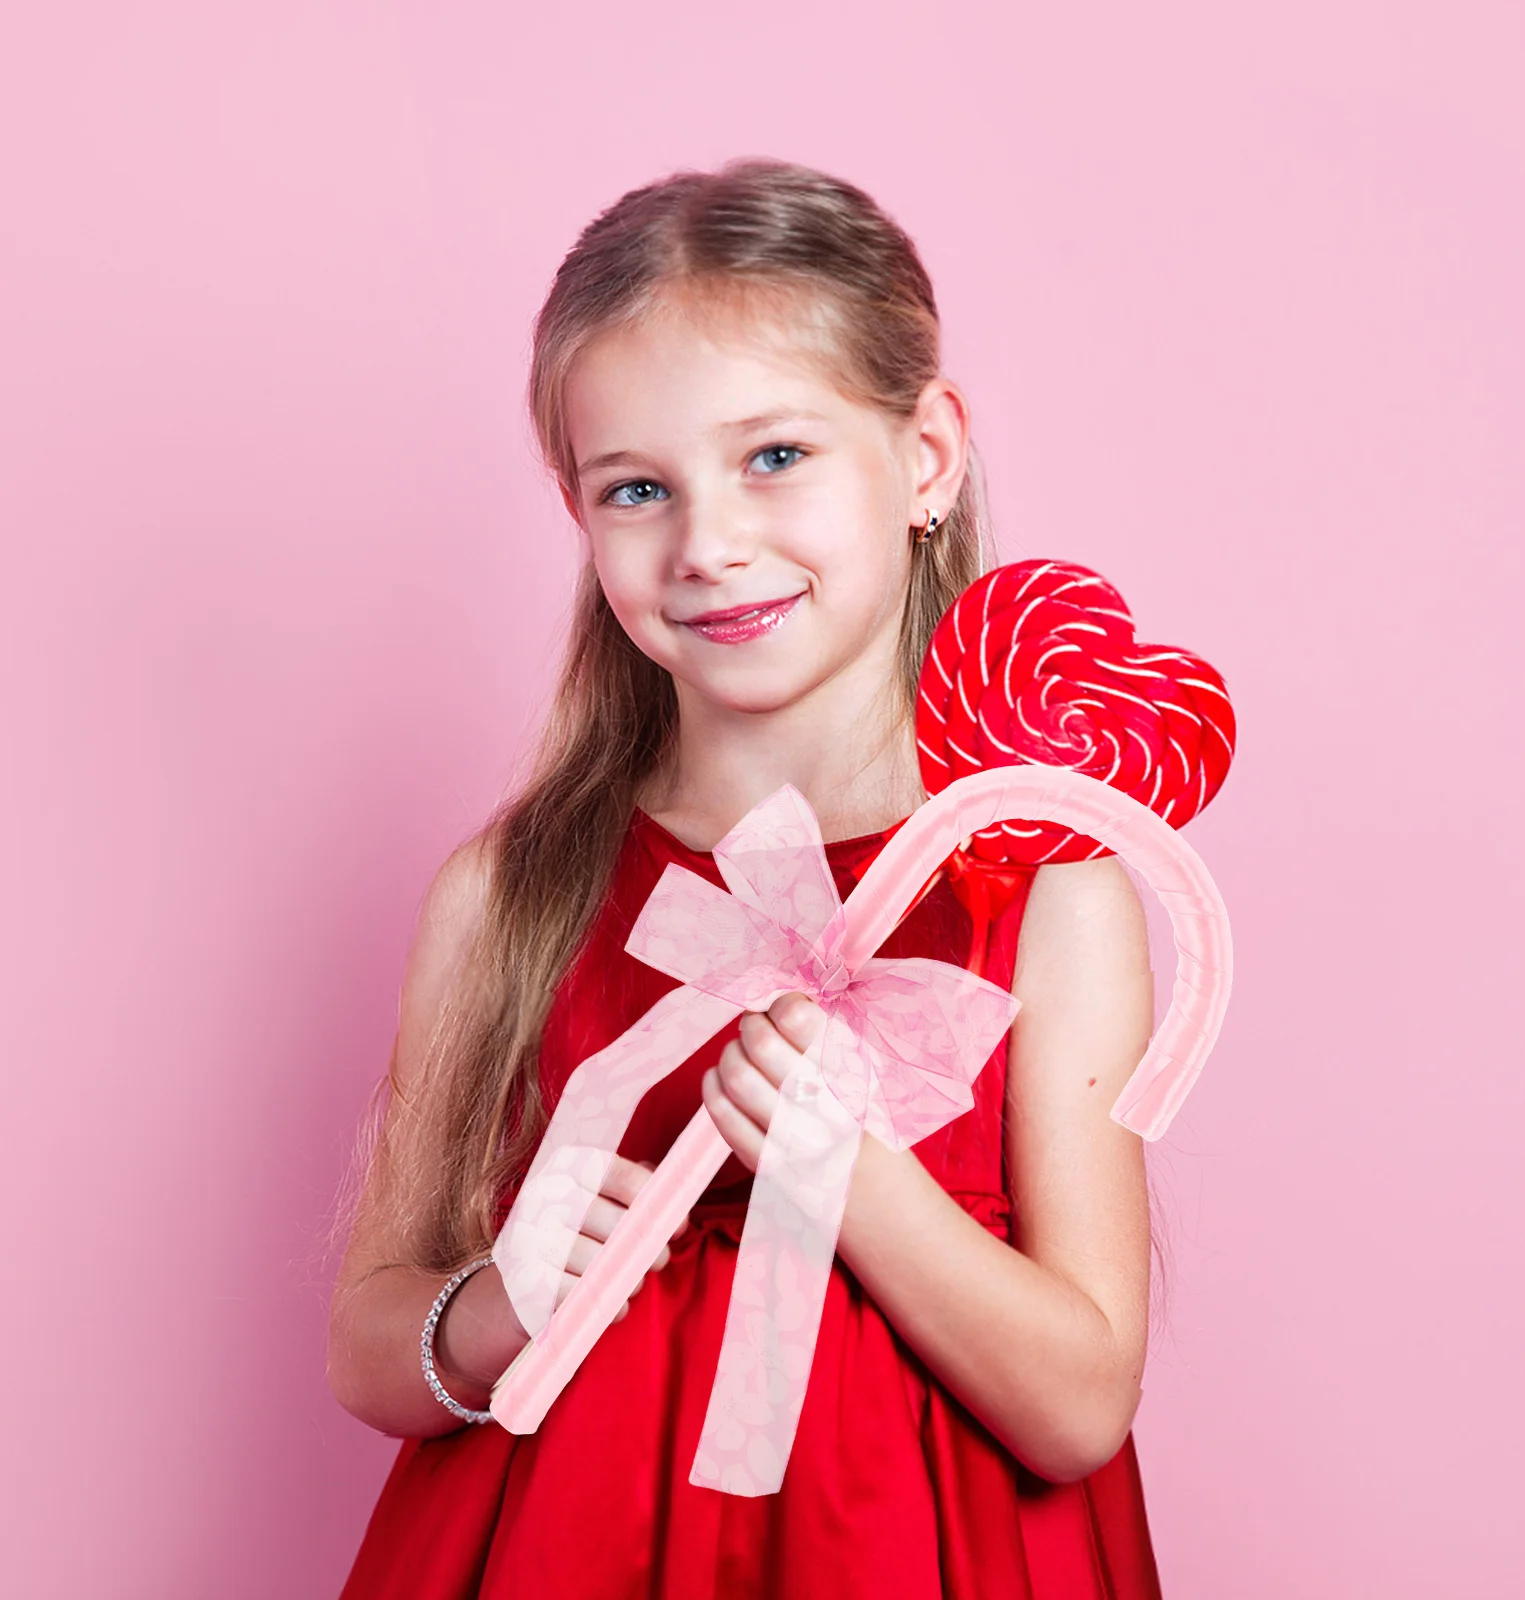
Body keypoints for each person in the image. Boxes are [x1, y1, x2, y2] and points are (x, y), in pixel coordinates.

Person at [329, 157, 1165, 1598]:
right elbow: (366, 1342)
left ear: (925, 457)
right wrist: (488, 1312)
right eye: (638, 488)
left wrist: (858, 1186)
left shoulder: (1044, 890)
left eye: (775, 457)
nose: (710, 544)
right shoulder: (510, 892)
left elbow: (1082, 1406)